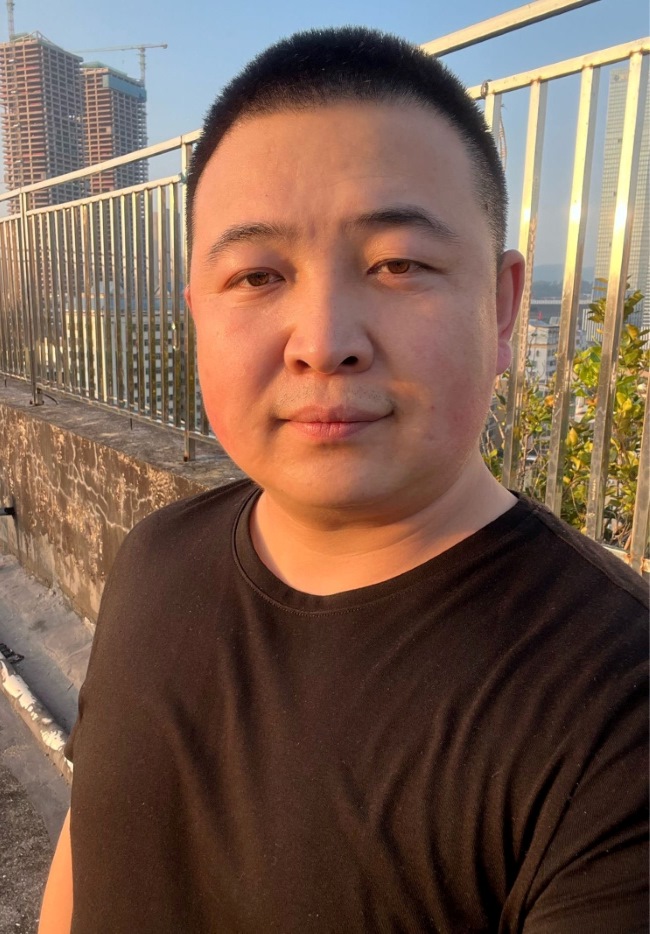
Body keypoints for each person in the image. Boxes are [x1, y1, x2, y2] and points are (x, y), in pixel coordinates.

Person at [39, 27, 648, 934]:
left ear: (503, 305)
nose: (324, 342)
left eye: (398, 264)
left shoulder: (615, 709)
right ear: (197, 315)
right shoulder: (154, 558)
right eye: (257, 275)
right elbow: (90, 852)